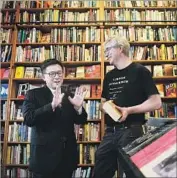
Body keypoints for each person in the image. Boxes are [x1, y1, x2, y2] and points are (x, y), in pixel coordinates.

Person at [92, 36, 162, 178]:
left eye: (108, 49)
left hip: (132, 130)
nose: (105, 53)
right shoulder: (109, 76)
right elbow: (102, 103)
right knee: (100, 169)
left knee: (132, 173)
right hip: (110, 132)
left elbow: (156, 102)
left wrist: (129, 110)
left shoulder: (140, 71)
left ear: (120, 49)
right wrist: (105, 107)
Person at [22, 59, 88, 178]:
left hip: (67, 157)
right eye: (52, 74)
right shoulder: (33, 94)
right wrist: (51, 106)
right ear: (44, 77)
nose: (57, 76)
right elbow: (29, 119)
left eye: (59, 73)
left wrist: (79, 108)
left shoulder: (68, 95)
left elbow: (81, 120)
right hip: (44, 159)